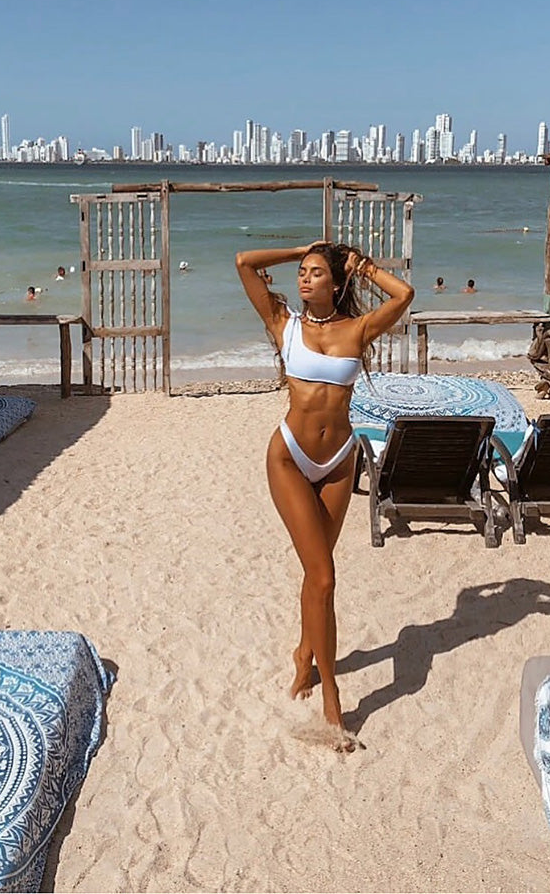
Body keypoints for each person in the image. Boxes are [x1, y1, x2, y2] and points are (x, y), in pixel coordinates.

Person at [236, 241, 414, 750]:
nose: (304, 278)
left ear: (336, 283)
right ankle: (332, 698)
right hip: (290, 457)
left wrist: (364, 267)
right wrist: (303, 247)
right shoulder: (283, 324)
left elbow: (404, 294)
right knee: (324, 576)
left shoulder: (357, 329)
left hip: (339, 462)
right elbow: (244, 262)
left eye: (315, 272)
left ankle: (303, 654)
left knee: (318, 576)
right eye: (301, 272)